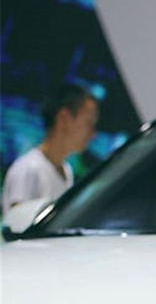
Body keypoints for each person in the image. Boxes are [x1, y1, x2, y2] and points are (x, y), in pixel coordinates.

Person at [2, 82, 99, 216]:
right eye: (89, 123)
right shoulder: (28, 170)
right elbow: (17, 224)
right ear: (64, 118)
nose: (93, 134)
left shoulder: (66, 171)